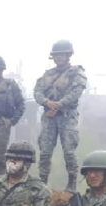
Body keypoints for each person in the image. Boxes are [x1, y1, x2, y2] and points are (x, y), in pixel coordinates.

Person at [34, 40, 87, 191]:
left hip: (67, 116)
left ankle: (72, 183)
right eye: (56, 55)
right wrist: (46, 102)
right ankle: (42, 183)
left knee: (69, 151)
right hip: (49, 116)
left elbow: (76, 92)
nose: (59, 58)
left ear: (68, 55)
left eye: (62, 55)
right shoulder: (48, 74)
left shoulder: (76, 72)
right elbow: (37, 91)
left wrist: (58, 104)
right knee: (45, 152)